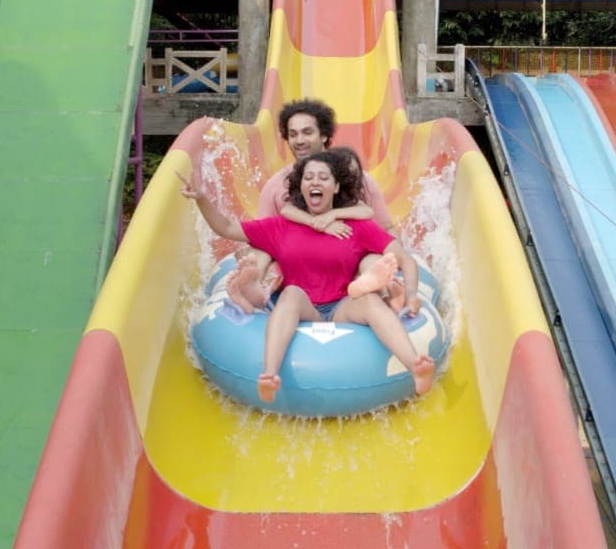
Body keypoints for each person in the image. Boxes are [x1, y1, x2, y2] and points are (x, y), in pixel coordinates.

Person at [180, 151, 434, 404]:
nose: (315, 182)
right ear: (300, 186)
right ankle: (269, 374)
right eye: (308, 177)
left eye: (323, 178)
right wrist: (202, 199)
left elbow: (404, 258)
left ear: (335, 187)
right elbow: (226, 228)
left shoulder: (357, 226)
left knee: (369, 300)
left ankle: (415, 366)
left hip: (342, 305)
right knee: (290, 294)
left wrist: (412, 295)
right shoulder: (280, 226)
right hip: (304, 306)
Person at [226, 98, 397, 311]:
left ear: (324, 135)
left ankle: (387, 297)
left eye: (308, 133)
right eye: (293, 134)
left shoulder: (355, 178)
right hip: (295, 267)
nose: (299, 140)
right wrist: (248, 258)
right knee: (260, 254)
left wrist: (396, 258)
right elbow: (261, 236)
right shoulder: (277, 186)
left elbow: (384, 227)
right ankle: (252, 296)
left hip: (345, 264)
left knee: (372, 259)